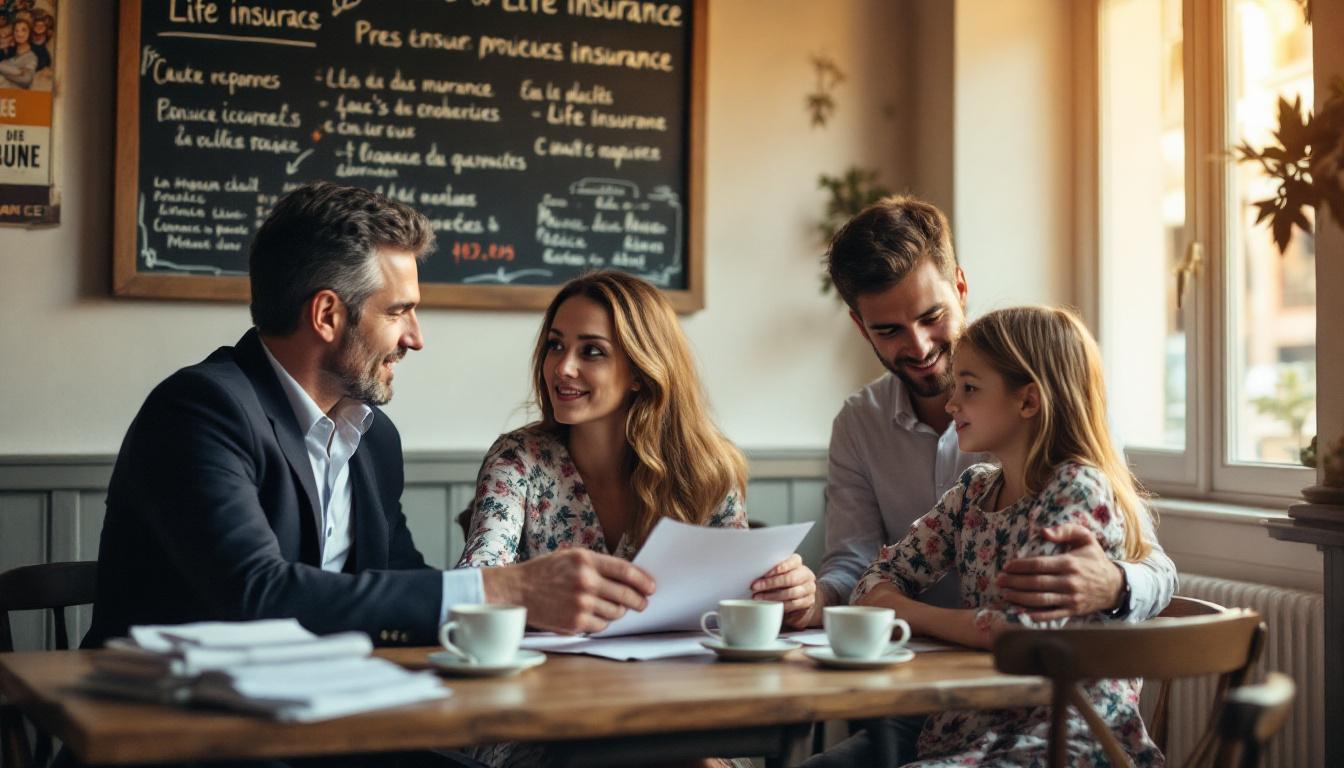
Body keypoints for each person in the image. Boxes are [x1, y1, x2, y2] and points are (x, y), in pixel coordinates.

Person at [84, 181, 658, 654]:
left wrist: (533, 605)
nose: (415, 338)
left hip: (329, 713)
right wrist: (500, 590)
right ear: (327, 314)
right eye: (399, 311)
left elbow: (398, 583)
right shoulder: (200, 411)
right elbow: (255, 594)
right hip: (175, 727)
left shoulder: (372, 437)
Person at [798, 195, 1176, 766]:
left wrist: (1113, 584)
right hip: (930, 703)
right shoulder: (878, 433)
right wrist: (819, 598)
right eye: (890, 330)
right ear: (861, 326)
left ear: (960, 286)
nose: (919, 347)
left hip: (1050, 717)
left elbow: (1152, 564)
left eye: (931, 317)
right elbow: (859, 568)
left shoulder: (1068, 443)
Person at [457, 271, 813, 768]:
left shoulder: (706, 472)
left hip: (680, 710)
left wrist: (787, 595)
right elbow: (477, 583)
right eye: (556, 346)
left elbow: (737, 611)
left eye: (591, 351)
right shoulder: (519, 459)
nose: (563, 367)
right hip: (544, 717)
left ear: (642, 370)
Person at [851, 305, 1164, 766]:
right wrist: (887, 596)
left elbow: (1018, 632)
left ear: (1028, 401)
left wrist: (903, 610)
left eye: (969, 388)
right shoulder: (974, 492)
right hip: (978, 728)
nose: (952, 404)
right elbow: (873, 580)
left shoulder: (1077, 490)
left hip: (1066, 737)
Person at [0, 17, 36, 88]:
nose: (19, 34)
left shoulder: (32, 57)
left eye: (24, 30)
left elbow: (25, 80)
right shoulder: (9, 52)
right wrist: (18, 72)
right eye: (16, 31)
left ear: (30, 33)